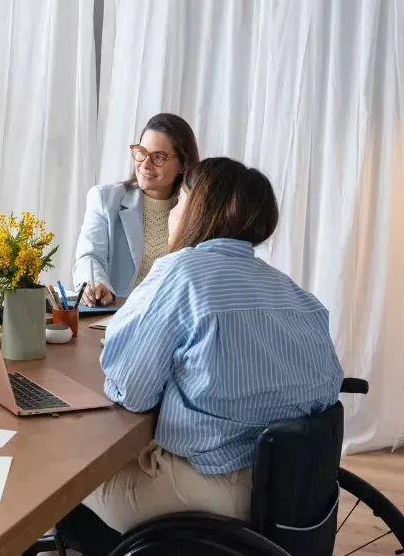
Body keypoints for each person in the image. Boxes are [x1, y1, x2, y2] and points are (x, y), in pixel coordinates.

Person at [57, 157, 344, 555]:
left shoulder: (181, 272)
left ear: (198, 209)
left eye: (178, 203)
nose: (171, 211)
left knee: (58, 475)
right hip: (288, 490)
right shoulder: (294, 293)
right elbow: (327, 387)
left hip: (203, 494)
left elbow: (130, 391)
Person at [72, 113, 200, 306]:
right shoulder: (105, 199)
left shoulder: (195, 212)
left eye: (158, 157)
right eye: (141, 152)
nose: (145, 164)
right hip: (114, 314)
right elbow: (89, 256)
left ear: (183, 165)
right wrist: (95, 283)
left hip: (170, 319)